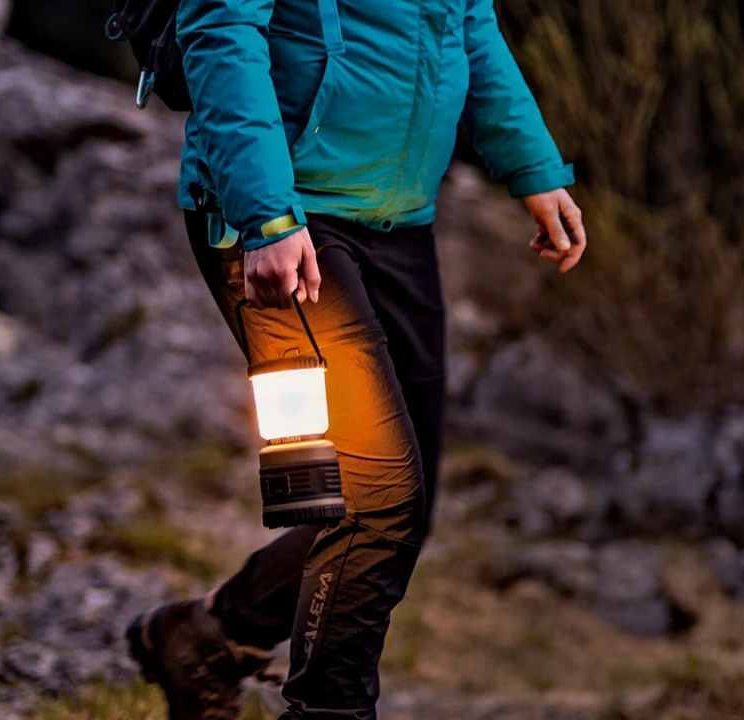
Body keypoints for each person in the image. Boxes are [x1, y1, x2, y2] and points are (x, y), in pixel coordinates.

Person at [123, 0, 589, 718]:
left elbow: (470, 26)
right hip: (283, 222)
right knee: (376, 497)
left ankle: (206, 637)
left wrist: (530, 163)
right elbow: (223, 28)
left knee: (400, 501)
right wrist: (267, 215)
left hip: (396, 218)